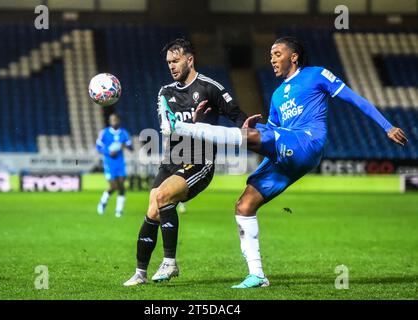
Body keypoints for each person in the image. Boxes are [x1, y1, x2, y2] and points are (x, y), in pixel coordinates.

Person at [159, 36, 408, 288]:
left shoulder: (316, 75)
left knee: (254, 136)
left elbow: (355, 99)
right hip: (288, 152)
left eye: (277, 54)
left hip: (307, 142)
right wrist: (252, 132)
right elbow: (274, 134)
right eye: (270, 55)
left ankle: (180, 127)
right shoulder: (277, 95)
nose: (272, 59)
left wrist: (387, 126)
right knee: (244, 204)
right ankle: (257, 275)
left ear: (294, 56)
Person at [123, 38, 247, 286]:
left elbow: (239, 118)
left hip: (199, 161)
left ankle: (170, 263)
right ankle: (140, 273)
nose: (171, 66)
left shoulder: (210, 88)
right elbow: (168, 130)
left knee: (162, 197)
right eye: (168, 62)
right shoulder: (165, 92)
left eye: (176, 60)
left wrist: (262, 137)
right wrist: (193, 122)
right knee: (152, 208)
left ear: (190, 60)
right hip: (171, 160)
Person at [96, 113, 133, 217]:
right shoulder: (104, 133)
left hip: (120, 163)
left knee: (121, 187)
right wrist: (108, 152)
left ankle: (119, 210)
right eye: (112, 120)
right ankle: (103, 201)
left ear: (119, 121)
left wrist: (124, 145)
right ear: (110, 121)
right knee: (113, 186)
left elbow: (131, 147)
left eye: (116, 119)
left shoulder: (124, 133)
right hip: (109, 163)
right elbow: (98, 147)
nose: (114, 121)